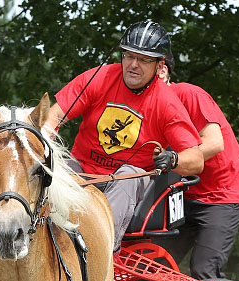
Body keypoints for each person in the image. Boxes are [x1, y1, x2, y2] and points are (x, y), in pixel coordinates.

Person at [42, 20, 204, 251]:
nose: (133, 65)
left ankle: (98, 251)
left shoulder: (167, 103)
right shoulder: (100, 77)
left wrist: (174, 160)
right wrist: (42, 140)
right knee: (52, 168)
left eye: (144, 60)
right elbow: (55, 115)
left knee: (128, 175)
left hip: (128, 185)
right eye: (129, 56)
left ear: (159, 65)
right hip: (83, 171)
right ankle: (37, 243)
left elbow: (196, 160)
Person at [154, 60, 239, 280]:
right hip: (184, 193)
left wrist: (174, 159)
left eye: (144, 62)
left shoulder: (188, 94)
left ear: (162, 70)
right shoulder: (148, 107)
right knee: (154, 264)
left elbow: (215, 144)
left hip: (222, 195)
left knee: (203, 270)